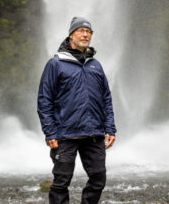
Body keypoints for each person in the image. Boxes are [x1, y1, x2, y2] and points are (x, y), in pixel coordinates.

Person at [38, 16, 116, 204]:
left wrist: (110, 128)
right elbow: (44, 100)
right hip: (65, 134)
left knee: (98, 179)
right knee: (61, 182)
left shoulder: (95, 65)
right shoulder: (55, 64)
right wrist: (50, 132)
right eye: (81, 31)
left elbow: (106, 97)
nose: (85, 34)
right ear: (71, 35)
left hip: (94, 133)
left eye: (88, 31)